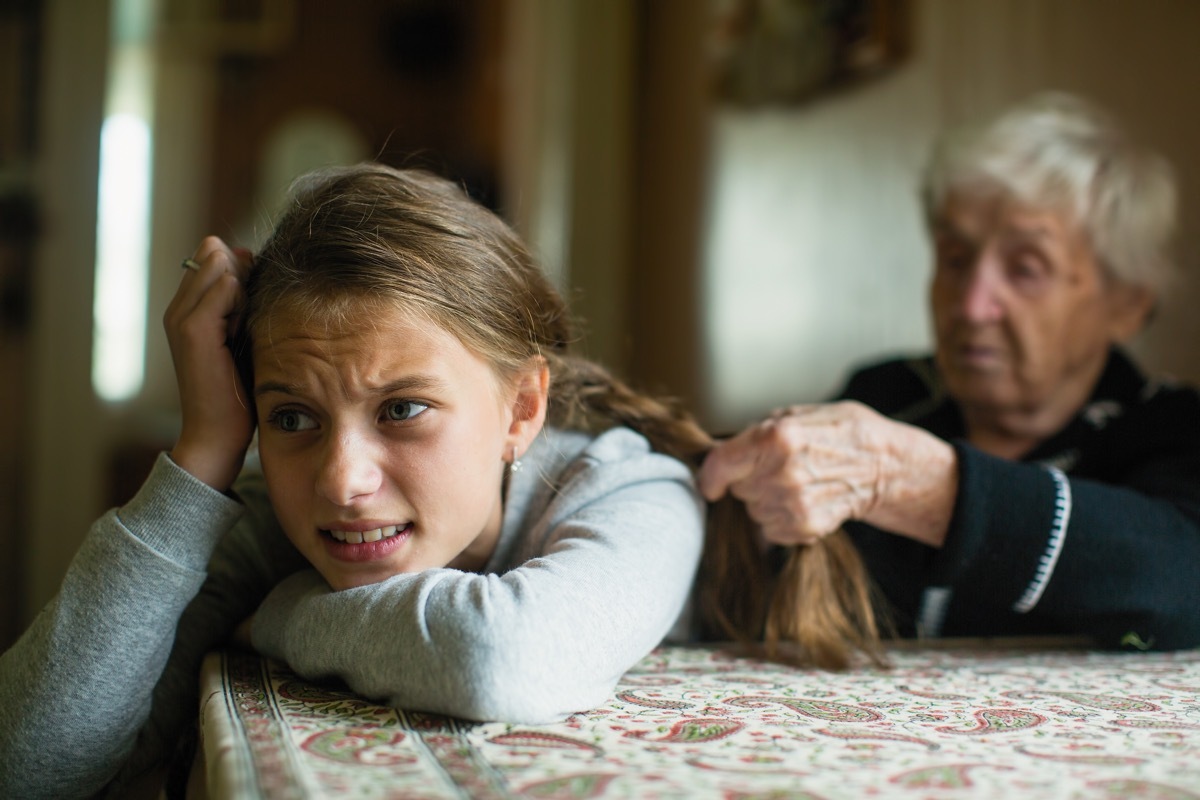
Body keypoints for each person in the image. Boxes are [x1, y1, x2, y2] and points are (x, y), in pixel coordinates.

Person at [0, 164, 712, 799]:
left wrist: (282, 617)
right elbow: (30, 768)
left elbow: (502, 658)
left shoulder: (631, 491)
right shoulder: (266, 523)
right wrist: (202, 452)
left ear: (521, 408)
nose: (342, 482)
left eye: (402, 410)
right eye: (292, 418)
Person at [700, 91, 1200, 651]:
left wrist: (909, 482)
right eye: (956, 260)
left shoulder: (1171, 427)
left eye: (1026, 269)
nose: (971, 305)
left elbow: (1181, 578)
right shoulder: (886, 396)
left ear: (1127, 303)